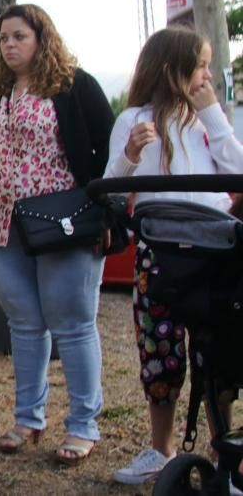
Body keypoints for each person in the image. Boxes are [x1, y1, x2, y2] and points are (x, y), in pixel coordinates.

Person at [0, 3, 115, 465]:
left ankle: (84, 425)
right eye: (4, 38)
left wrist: (101, 213)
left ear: (42, 38)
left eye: (19, 36)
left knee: (72, 322)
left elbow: (107, 150)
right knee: (24, 324)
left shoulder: (74, 86)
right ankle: (28, 419)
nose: (9, 45)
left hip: (61, 225)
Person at [106, 27, 243, 486]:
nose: (207, 75)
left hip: (214, 248)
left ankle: (224, 445)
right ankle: (161, 447)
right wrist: (129, 155)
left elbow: (237, 171)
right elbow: (112, 184)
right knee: (160, 348)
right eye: (200, 65)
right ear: (174, 69)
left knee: (218, 350)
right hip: (160, 252)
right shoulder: (133, 119)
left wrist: (214, 116)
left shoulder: (209, 118)